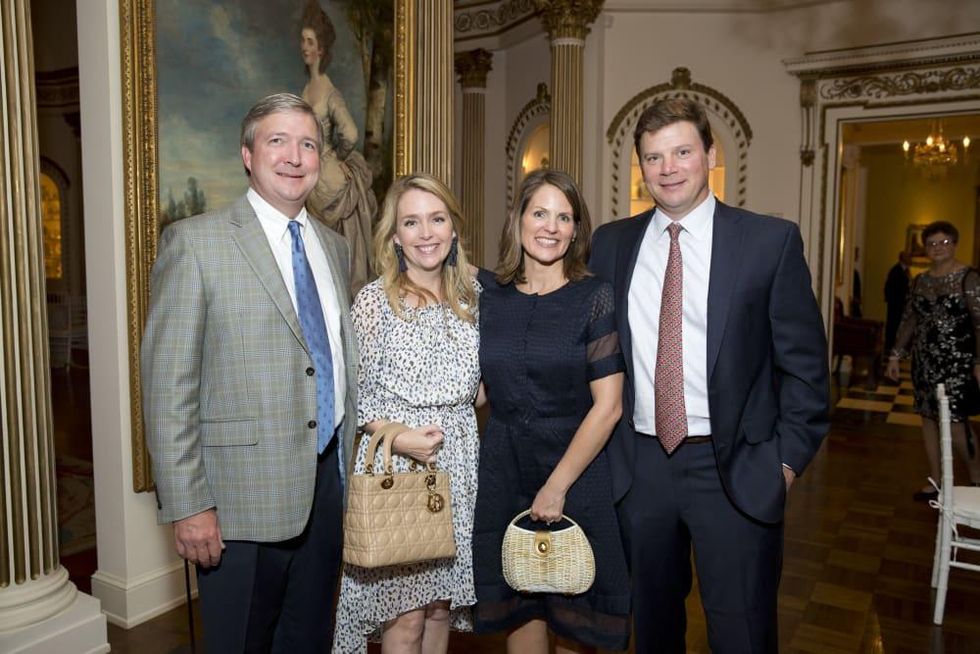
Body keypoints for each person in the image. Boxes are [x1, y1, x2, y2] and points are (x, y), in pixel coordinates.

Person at [590, 97, 829, 653]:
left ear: (710, 155)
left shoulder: (768, 242)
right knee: (651, 632)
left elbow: (805, 370)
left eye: (681, 152)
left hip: (736, 469)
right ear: (640, 166)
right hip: (640, 468)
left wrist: (783, 465)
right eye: (653, 157)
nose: (668, 168)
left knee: (742, 632)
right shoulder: (610, 244)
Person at [141, 93, 357, 653]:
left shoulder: (334, 248)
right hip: (238, 503)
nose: (294, 156)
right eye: (277, 141)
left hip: (327, 490)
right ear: (247, 154)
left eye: (308, 144)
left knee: (308, 641)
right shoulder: (196, 242)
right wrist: (190, 505)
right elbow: (167, 387)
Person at [473, 169, 631, 653]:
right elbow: (479, 389)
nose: (551, 227)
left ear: (576, 230)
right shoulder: (490, 296)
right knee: (519, 608)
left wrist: (557, 486)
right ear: (518, 220)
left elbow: (608, 406)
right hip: (504, 469)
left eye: (564, 217)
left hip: (575, 471)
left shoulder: (593, 296)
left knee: (574, 620)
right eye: (540, 213)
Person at [333, 173, 482, 654]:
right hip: (398, 469)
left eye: (437, 219)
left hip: (459, 467)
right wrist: (401, 439)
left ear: (453, 228)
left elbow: (480, 388)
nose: (426, 233)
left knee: (439, 608)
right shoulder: (376, 301)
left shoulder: (472, 298)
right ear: (395, 236)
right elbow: (353, 394)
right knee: (405, 619)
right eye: (412, 222)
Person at [885, 221, 980, 501]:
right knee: (928, 420)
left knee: (956, 424)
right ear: (925, 248)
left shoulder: (969, 278)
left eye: (944, 242)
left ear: (955, 244)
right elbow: (909, 320)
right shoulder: (920, 281)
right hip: (924, 363)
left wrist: (979, 362)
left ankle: (976, 480)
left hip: (958, 364)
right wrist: (895, 356)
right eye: (932, 244)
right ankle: (936, 481)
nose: (938, 248)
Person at [300, 0, 377, 295]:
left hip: (329, 179)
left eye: (310, 42)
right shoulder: (308, 89)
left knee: (342, 264)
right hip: (313, 180)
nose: (304, 47)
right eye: (303, 41)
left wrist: (337, 156)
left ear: (321, 49)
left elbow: (351, 132)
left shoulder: (329, 91)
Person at [884, 250, 912, 352]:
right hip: (895, 303)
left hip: (900, 303)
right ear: (903, 258)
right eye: (908, 257)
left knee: (897, 325)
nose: (910, 259)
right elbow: (891, 287)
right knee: (893, 324)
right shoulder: (896, 271)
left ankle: (895, 346)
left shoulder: (905, 271)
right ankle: (889, 346)